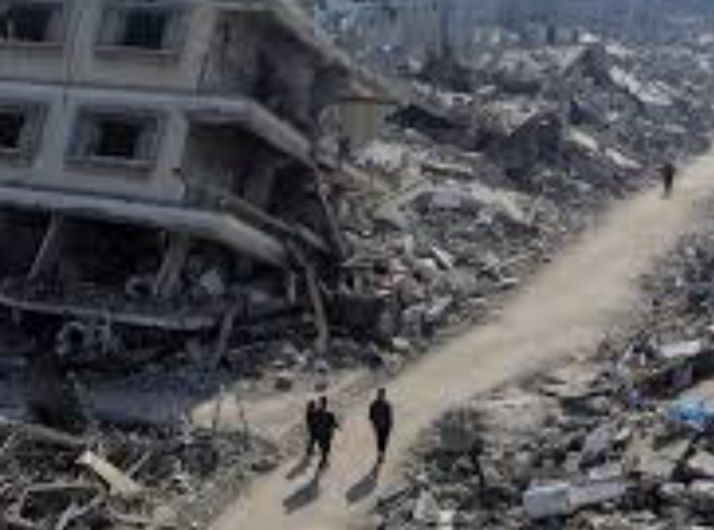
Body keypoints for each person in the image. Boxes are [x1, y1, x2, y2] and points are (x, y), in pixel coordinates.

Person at [369, 388, 393, 465]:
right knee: (380, 440)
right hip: (379, 426)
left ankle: (381, 454)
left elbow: (389, 416)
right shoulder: (375, 405)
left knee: (383, 440)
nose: (381, 396)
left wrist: (390, 424)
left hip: (385, 426)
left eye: (382, 394)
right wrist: (374, 422)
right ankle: (380, 454)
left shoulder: (386, 405)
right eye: (380, 394)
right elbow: (371, 415)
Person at [314, 396, 339, 470]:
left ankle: (323, 460)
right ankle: (323, 460)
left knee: (324, 448)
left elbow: (314, 423)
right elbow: (333, 422)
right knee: (325, 448)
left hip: (322, 434)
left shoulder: (319, 413)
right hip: (325, 434)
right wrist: (336, 426)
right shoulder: (328, 414)